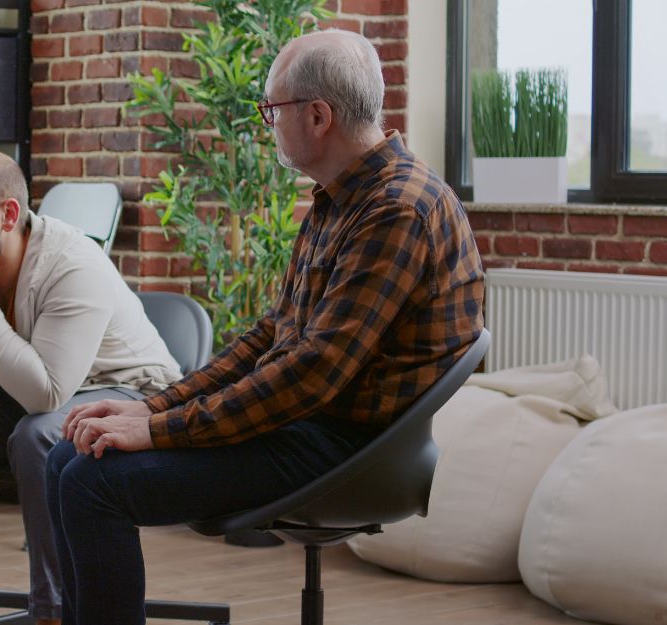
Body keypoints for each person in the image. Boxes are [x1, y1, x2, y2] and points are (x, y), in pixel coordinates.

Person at [47, 29, 487, 625]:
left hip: (347, 445)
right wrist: (153, 410)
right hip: (309, 423)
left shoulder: (397, 210)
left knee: (90, 483)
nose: (266, 122)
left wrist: (160, 430)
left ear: (317, 115)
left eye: (271, 109)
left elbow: (311, 375)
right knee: (65, 458)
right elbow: (273, 336)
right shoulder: (340, 199)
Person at [0, 149, 184, 625]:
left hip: (127, 393)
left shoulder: (71, 262)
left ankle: (55, 614)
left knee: (40, 433)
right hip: (23, 391)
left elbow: (47, 396)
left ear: (7, 215)